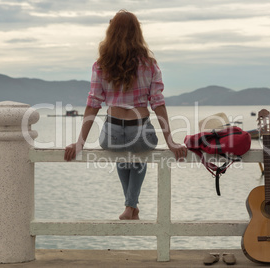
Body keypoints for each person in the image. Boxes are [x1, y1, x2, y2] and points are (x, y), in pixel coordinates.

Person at [64, 10, 187, 220]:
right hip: (139, 129)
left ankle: (130, 207)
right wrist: (171, 141)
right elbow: (158, 103)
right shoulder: (149, 65)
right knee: (138, 151)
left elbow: (93, 104)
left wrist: (79, 143)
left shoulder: (101, 65)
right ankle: (131, 207)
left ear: (111, 32)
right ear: (137, 32)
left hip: (112, 131)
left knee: (123, 152)